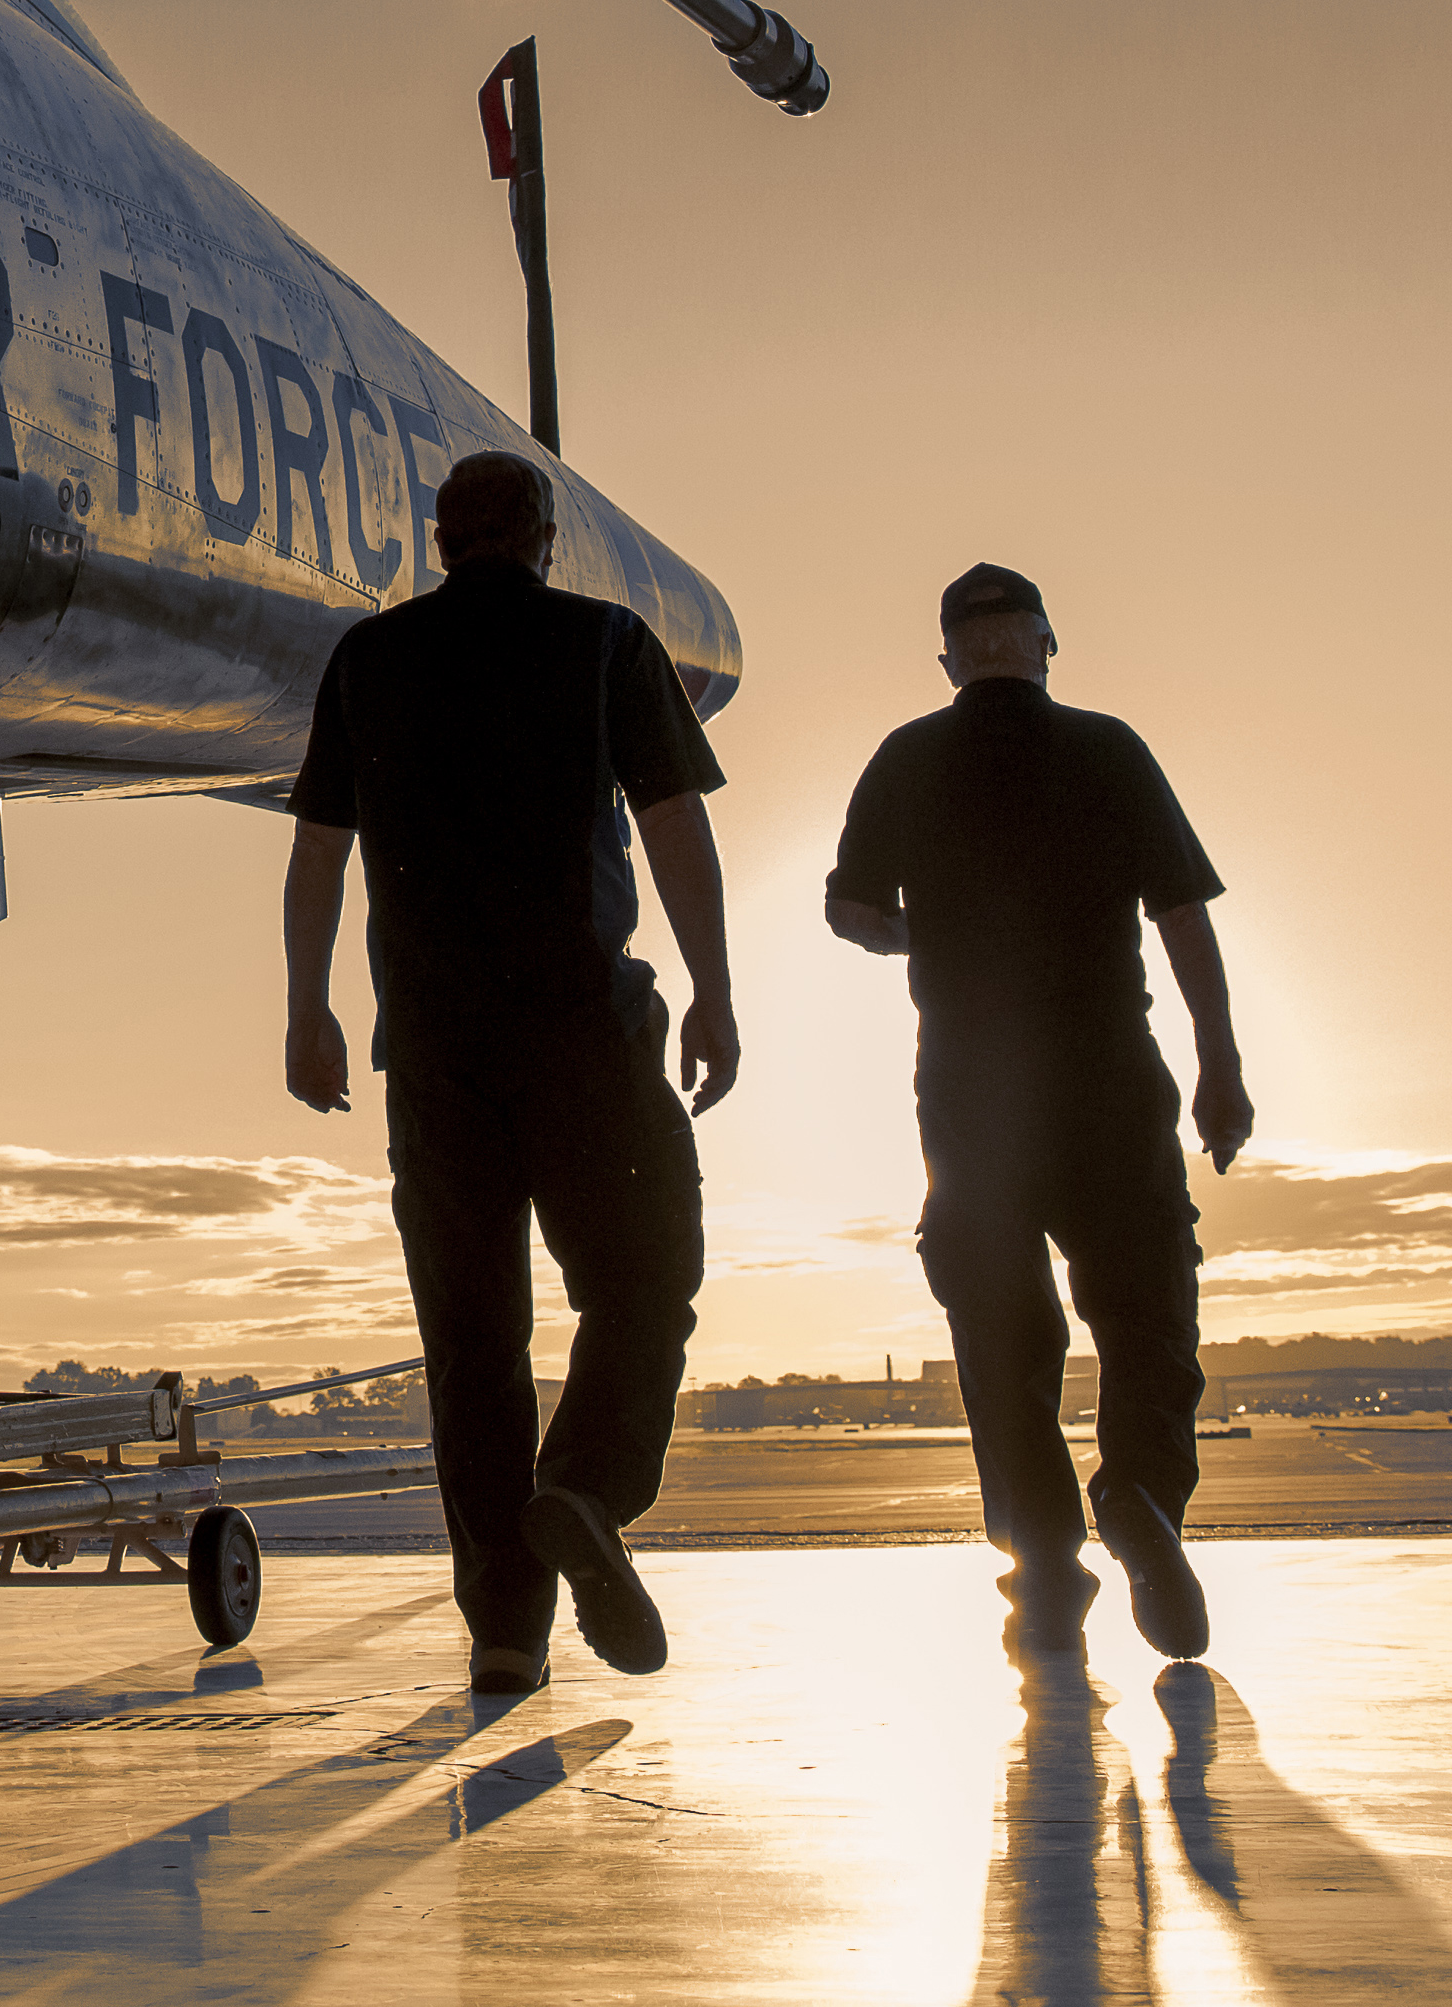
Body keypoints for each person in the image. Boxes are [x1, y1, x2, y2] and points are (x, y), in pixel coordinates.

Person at [278, 448, 739, 1695]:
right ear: (544, 536)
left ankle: (504, 1632)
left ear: (439, 541)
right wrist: (715, 992)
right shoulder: (604, 641)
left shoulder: (369, 659)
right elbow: (676, 826)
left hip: (431, 1047)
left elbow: (320, 850)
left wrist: (306, 1009)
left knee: (471, 1340)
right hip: (584, 1029)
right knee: (647, 1274)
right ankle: (582, 1486)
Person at [828, 563, 1249, 1658]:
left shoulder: (907, 756)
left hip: (971, 1091)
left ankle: (1047, 1574)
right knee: (1150, 1311)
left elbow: (852, 907)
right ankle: (1142, 1493)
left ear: (952, 657)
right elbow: (1183, 916)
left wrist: (922, 937)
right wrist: (1222, 1064)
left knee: (1003, 1339)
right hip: (1110, 1072)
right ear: (1047, 644)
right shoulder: (1110, 749)